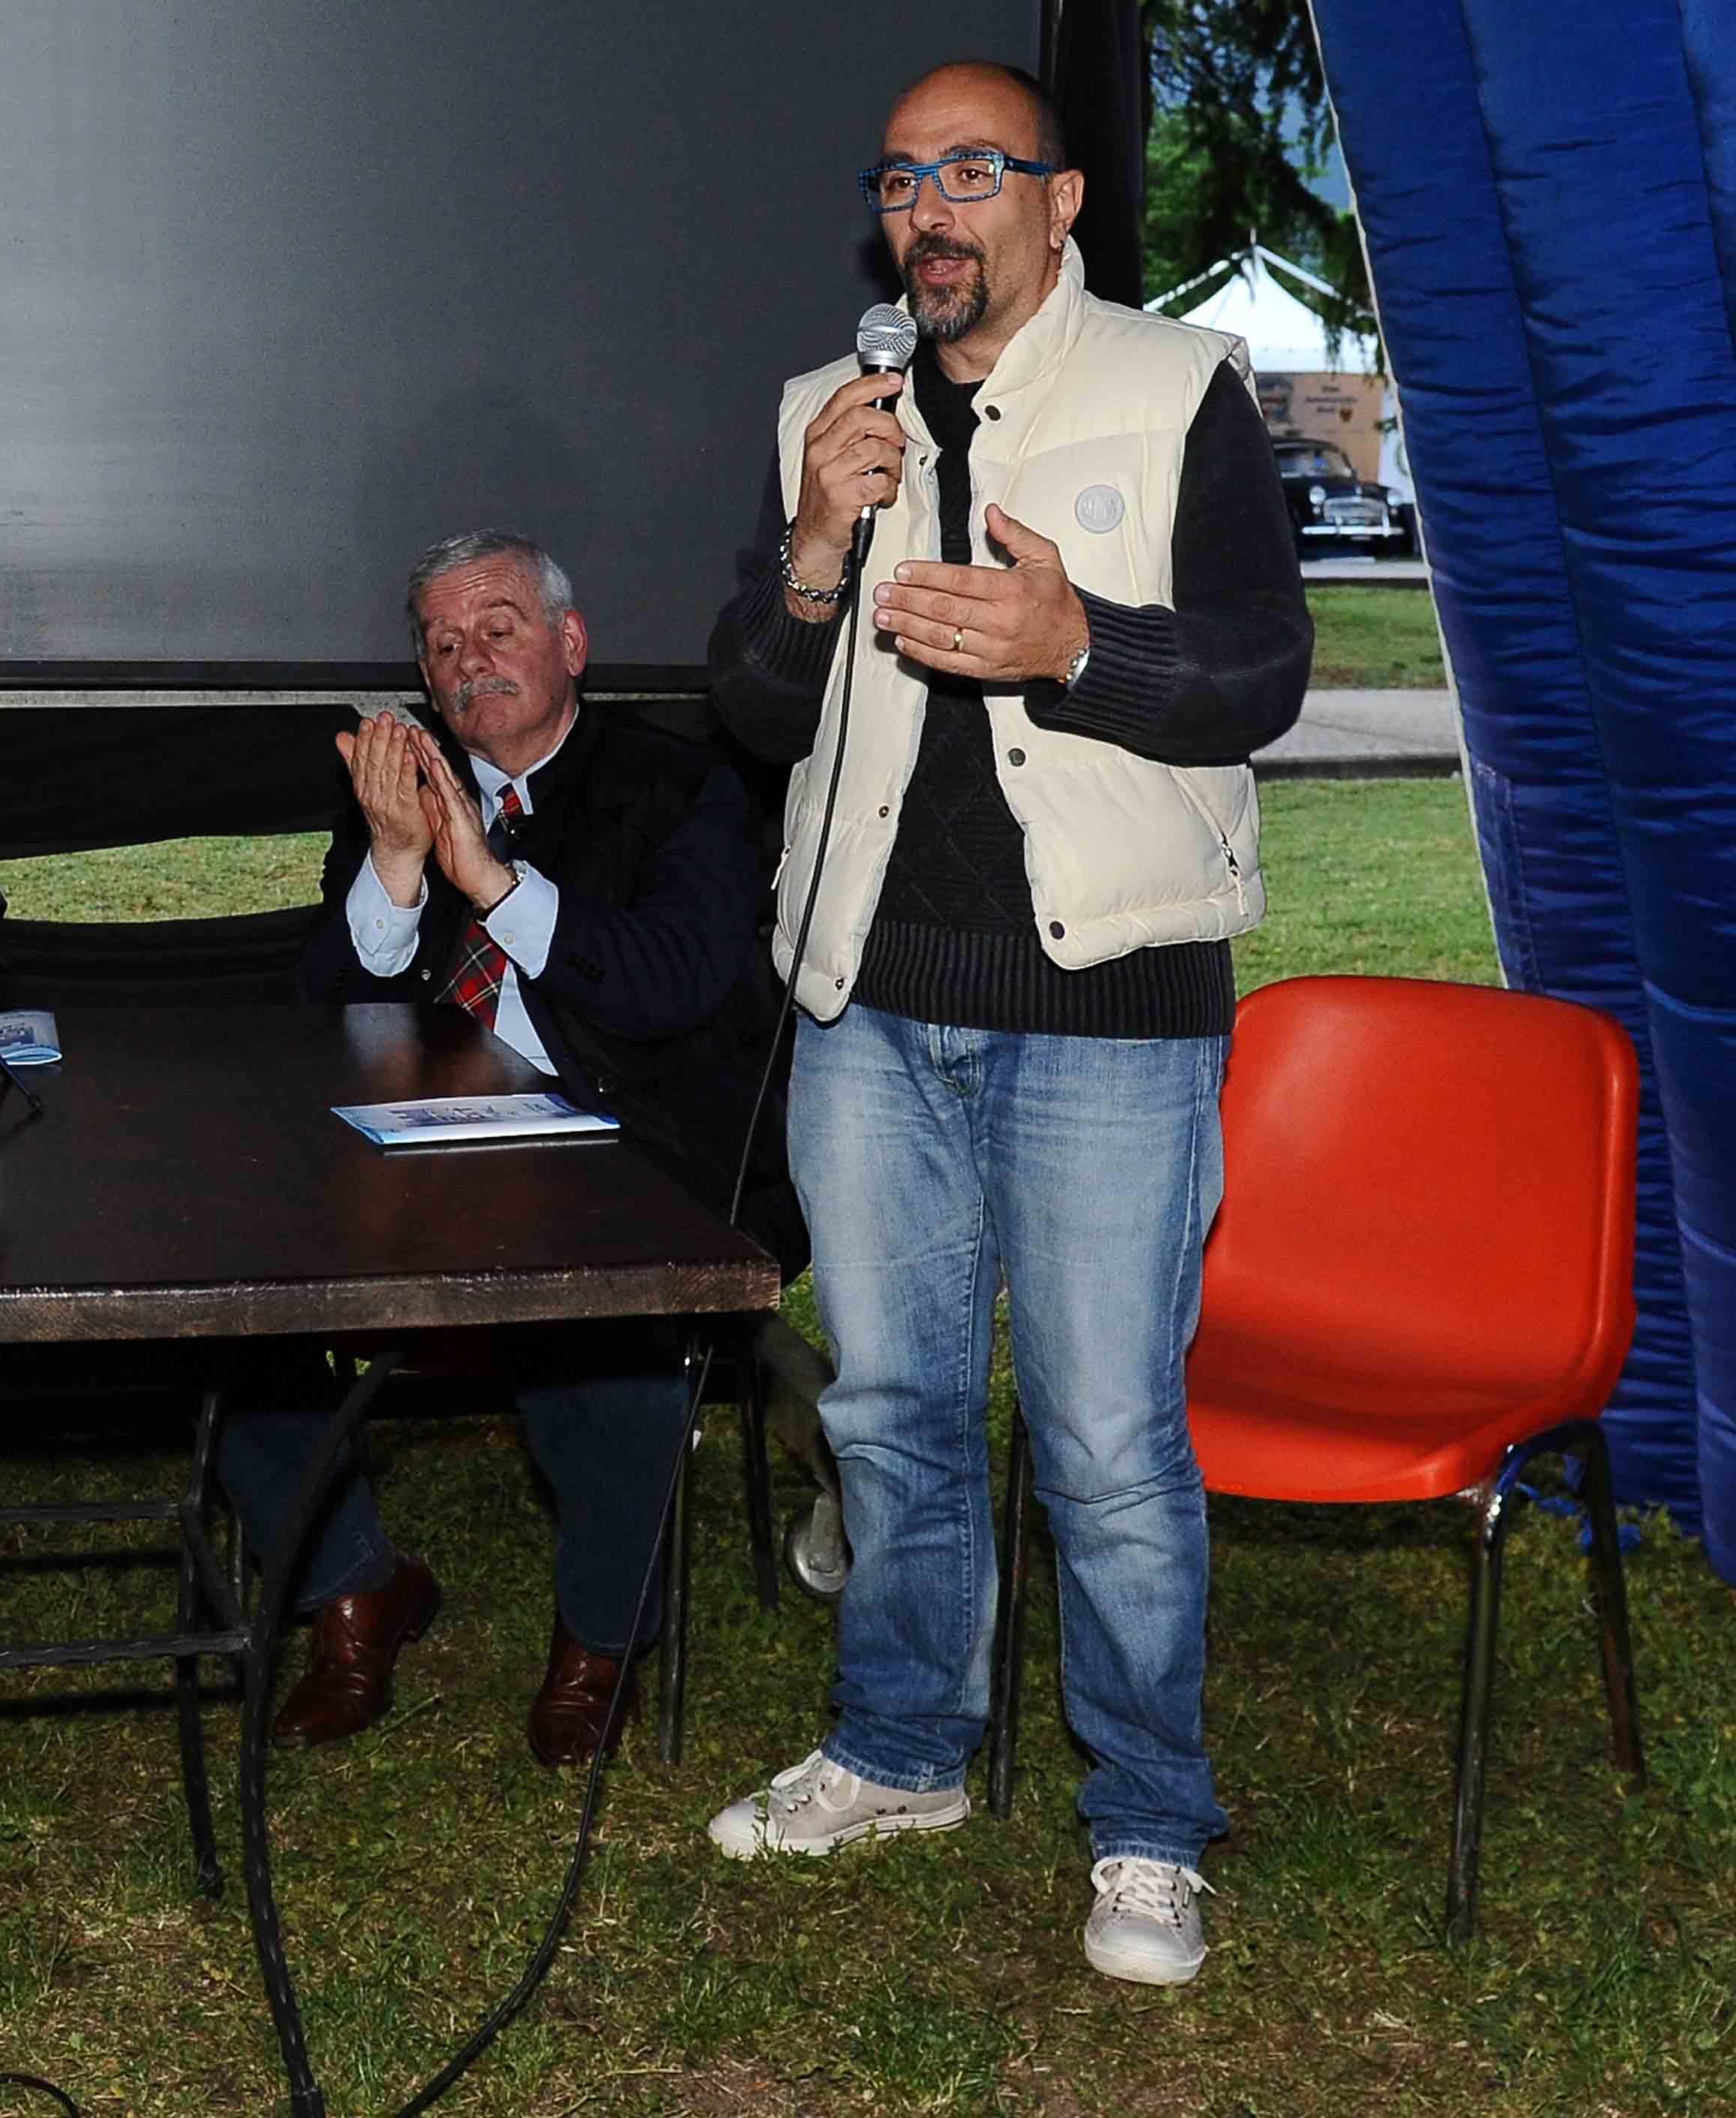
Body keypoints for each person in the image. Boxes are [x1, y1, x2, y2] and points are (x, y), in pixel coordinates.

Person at [702, 64, 1309, 1986]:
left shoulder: (1180, 386)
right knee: (887, 1409)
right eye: (902, 179)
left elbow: (1263, 673)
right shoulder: (826, 410)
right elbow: (752, 709)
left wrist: (1079, 647)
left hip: (1110, 1007)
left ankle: (1148, 1821)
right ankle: (900, 1748)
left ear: (1059, 204)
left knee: (1107, 1437)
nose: (931, 210)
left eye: (974, 171)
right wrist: (816, 543)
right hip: (868, 1006)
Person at [214, 529, 802, 1767]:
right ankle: (355, 1588)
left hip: (630, 1145)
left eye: (498, 629)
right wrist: (395, 864)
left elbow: (673, 985)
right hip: (417, 1150)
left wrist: (489, 880)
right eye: (442, 645)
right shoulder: (401, 789)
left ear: (570, 644)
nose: (469, 661)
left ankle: (601, 1637)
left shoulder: (681, 784)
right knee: (224, 1295)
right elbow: (325, 1019)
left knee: (620, 1313)